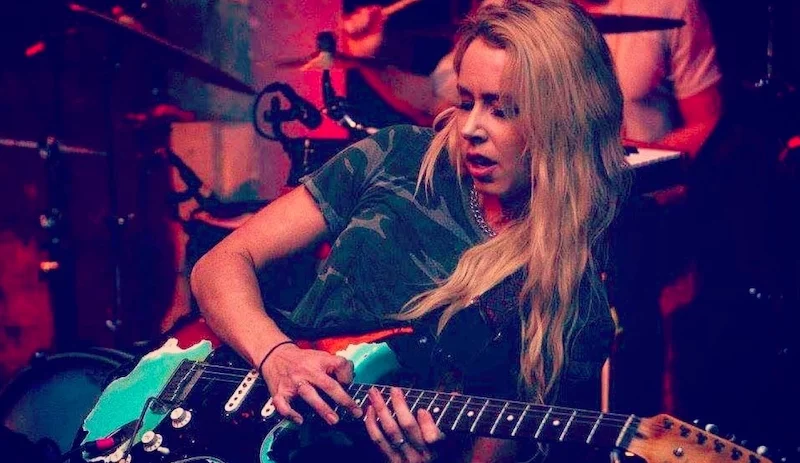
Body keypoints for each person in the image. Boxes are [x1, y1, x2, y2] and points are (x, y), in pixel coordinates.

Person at [191, 1, 629, 461]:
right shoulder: (398, 157)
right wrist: (275, 355)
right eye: (466, 102)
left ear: (566, 120)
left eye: (502, 110)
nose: (471, 128)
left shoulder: (571, 304)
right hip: (238, 422)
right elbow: (219, 264)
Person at [343, 0, 723, 160]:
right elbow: (436, 103)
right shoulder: (508, 7)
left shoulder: (670, 5)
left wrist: (642, 170)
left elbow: (709, 120)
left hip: (641, 212)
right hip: (531, 216)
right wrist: (368, 59)